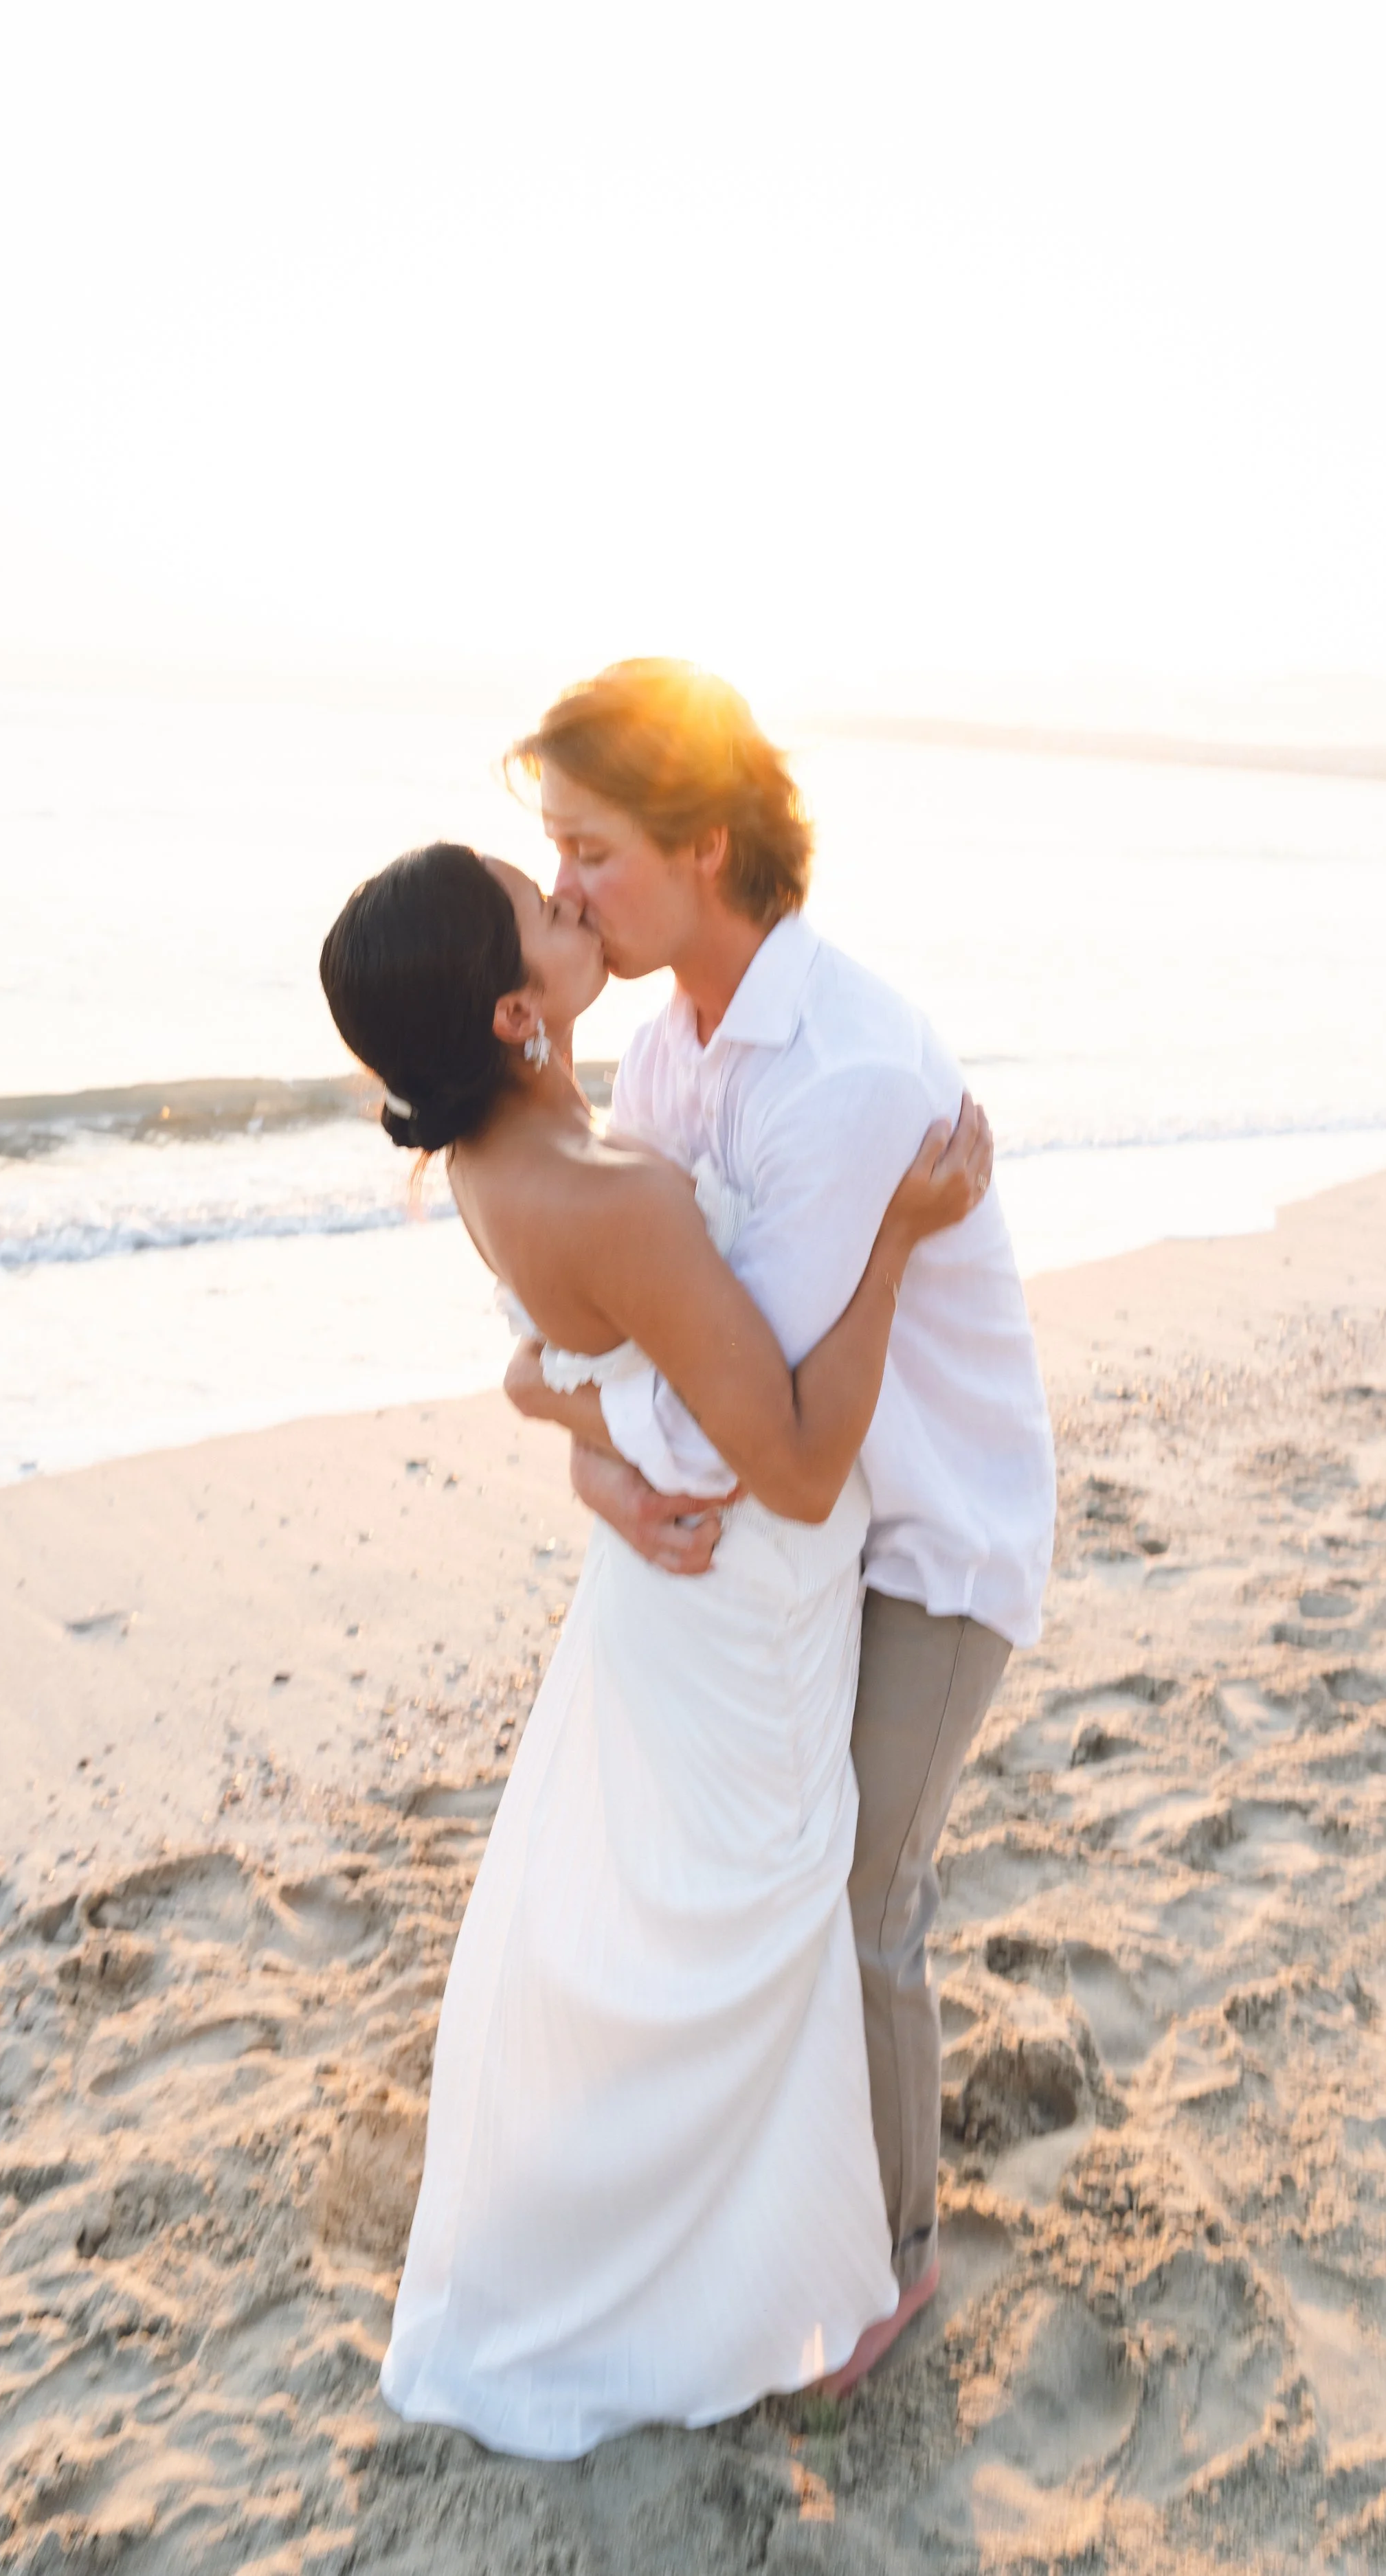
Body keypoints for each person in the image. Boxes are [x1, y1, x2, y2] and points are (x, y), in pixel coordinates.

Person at [319, 840, 992, 2458]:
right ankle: (739, 2287)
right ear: (510, 1013)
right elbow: (803, 1463)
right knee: (750, 1937)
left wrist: (571, 1421)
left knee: (670, 1929)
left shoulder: (491, 1162)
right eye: (546, 913)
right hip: (741, 1602)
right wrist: (904, 1231)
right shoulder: (613, 1191)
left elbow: (550, 1354)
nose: (575, 906)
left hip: (656, 1600)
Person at [504, 660, 1056, 2393]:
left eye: (588, 850)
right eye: (553, 854)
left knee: (856, 1896)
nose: (564, 892)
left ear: (704, 843)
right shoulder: (671, 1053)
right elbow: (641, 1354)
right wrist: (587, 1458)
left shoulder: (839, 1078)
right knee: (759, 1894)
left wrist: (590, 1430)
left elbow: (780, 1449)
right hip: (792, 1556)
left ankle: (892, 2269)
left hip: (922, 1541)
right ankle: (761, 2213)